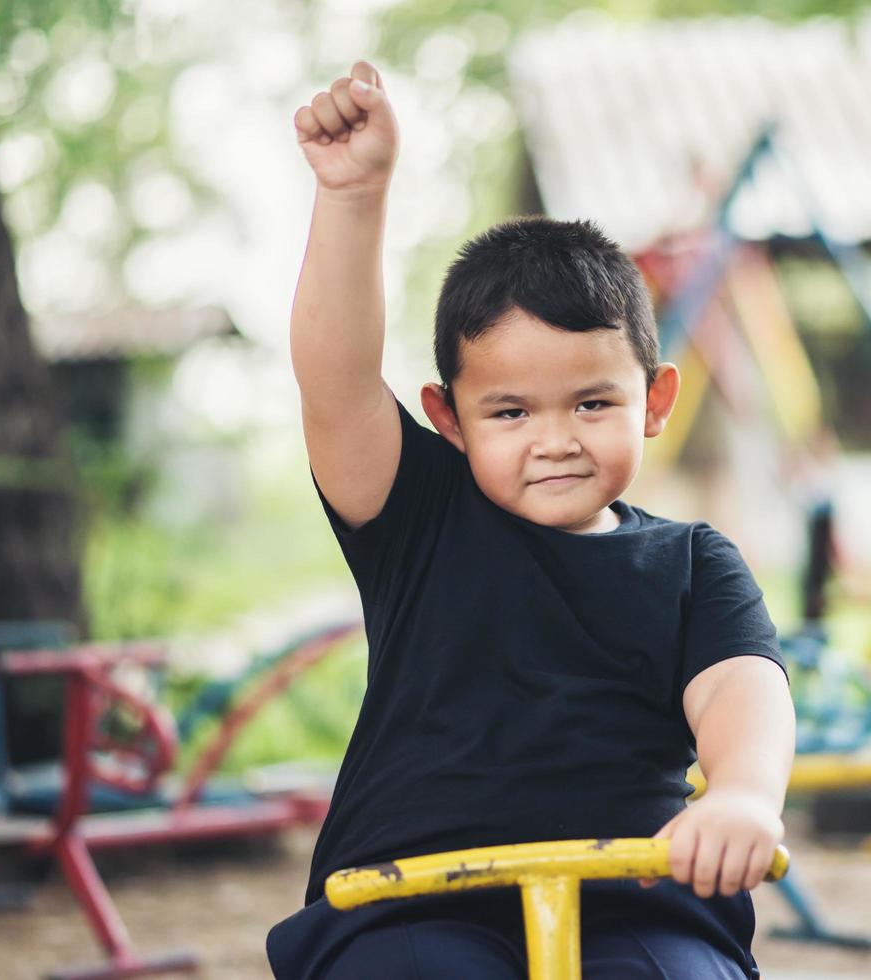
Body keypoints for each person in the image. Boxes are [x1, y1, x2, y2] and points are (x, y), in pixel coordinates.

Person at [267, 61, 795, 979]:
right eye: (510, 413)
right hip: (407, 898)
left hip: (634, 892)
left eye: (591, 403)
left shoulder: (691, 564)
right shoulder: (417, 515)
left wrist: (742, 794)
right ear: (448, 419)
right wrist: (353, 195)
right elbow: (337, 380)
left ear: (654, 401)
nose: (554, 440)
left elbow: (738, 688)